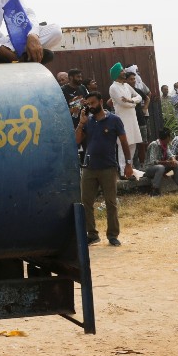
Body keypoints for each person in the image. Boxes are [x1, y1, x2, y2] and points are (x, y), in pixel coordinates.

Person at [77, 91, 130, 247]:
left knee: (110, 203)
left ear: (100, 101)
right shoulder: (88, 121)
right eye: (88, 104)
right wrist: (81, 123)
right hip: (89, 168)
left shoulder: (114, 120)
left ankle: (112, 235)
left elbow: (124, 143)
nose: (91, 107)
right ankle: (92, 234)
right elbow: (77, 140)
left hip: (108, 167)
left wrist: (128, 163)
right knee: (86, 202)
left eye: (93, 103)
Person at [108, 62, 142, 174]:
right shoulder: (113, 88)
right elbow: (124, 104)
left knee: (133, 144)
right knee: (124, 145)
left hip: (132, 119)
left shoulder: (126, 85)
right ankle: (123, 172)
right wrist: (133, 103)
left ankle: (129, 169)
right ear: (117, 73)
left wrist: (131, 101)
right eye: (122, 70)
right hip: (122, 120)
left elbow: (140, 97)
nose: (124, 72)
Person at [144, 129, 178, 195]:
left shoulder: (165, 145)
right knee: (161, 167)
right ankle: (154, 189)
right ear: (167, 138)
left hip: (162, 166)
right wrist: (166, 162)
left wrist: (173, 160)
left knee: (176, 163)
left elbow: (170, 155)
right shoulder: (154, 144)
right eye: (170, 137)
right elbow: (153, 161)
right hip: (150, 169)